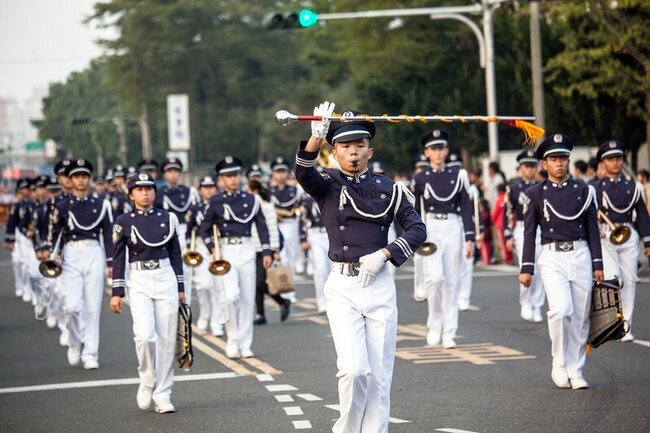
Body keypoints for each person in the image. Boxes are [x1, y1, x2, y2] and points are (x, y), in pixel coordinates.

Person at [295, 102, 426, 433]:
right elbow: (303, 172)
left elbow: (417, 230)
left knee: (379, 374)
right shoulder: (327, 184)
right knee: (354, 370)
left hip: (379, 284)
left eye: (359, 145)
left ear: (370, 150)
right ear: (334, 152)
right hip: (342, 287)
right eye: (344, 146)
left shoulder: (389, 188)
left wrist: (385, 253)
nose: (353, 153)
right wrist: (316, 137)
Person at [519, 133, 603, 390]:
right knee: (560, 310)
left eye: (563, 159)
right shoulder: (534, 194)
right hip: (552, 256)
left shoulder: (584, 190)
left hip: (580, 254)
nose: (559, 164)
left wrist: (598, 264)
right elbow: (529, 232)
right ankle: (559, 360)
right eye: (554, 159)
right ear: (544, 164)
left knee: (580, 316)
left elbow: (592, 228)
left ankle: (576, 369)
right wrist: (526, 267)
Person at [110, 172, 184, 413]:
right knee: (144, 336)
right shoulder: (123, 220)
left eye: (149, 188)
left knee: (166, 338)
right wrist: (117, 291)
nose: (145, 193)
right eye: (139, 189)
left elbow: (175, 254)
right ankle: (146, 379)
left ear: (155, 192)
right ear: (131, 194)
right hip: (138, 277)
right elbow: (118, 257)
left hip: (165, 277)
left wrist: (181, 288)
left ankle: (163, 393)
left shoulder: (168, 218)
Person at [198, 156, 273, 359]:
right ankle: (232, 339)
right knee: (231, 297)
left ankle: (245, 343)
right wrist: (212, 248)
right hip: (226, 251)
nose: (232, 179)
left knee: (248, 300)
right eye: (227, 176)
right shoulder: (215, 201)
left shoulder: (251, 199)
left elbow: (262, 226)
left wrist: (267, 251)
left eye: (235, 175)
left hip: (247, 249)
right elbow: (204, 229)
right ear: (221, 179)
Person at [44, 159, 114, 370]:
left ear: (89, 178)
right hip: (70, 254)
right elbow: (54, 234)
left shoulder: (102, 204)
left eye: (84, 176)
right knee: (72, 306)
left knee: (93, 307)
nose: (81, 180)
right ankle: (74, 342)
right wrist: (52, 256)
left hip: (94, 251)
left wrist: (111, 262)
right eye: (77, 176)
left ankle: (90, 353)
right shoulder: (62, 205)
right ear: (71, 179)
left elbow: (109, 235)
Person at [412, 129, 475, 349]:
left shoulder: (459, 175)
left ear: (447, 151)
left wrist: (470, 238)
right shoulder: (420, 178)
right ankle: (434, 324)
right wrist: (414, 235)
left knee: (452, 281)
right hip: (431, 227)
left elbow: (467, 208)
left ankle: (449, 331)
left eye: (441, 149)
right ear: (427, 152)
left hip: (453, 226)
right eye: (434, 149)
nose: (438, 153)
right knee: (435, 279)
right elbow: (415, 210)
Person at [594, 140, 650, 342]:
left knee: (630, 282)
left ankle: (626, 324)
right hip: (605, 236)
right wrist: (594, 231)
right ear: (603, 163)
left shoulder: (633, 186)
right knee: (613, 278)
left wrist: (647, 241)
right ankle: (612, 322)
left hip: (628, 234)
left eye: (618, 158)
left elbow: (642, 214)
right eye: (610, 159)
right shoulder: (595, 187)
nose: (616, 163)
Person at [504, 149, 545, 323]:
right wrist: (508, 235)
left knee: (541, 269)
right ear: (520, 168)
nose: (529, 170)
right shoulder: (513, 188)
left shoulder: (542, 186)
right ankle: (526, 302)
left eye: (532, 166)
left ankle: (537, 305)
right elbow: (507, 211)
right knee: (526, 266)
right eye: (526, 166)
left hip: (541, 230)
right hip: (521, 229)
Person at [155, 157, 200, 304]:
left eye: (175, 171)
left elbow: (196, 212)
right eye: (169, 171)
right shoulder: (159, 193)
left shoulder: (189, 191)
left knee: (187, 273)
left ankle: (185, 306)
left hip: (187, 233)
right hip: (168, 234)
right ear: (164, 174)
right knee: (170, 272)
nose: (173, 174)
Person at [186, 175, 226, 336]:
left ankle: (217, 322)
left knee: (218, 287)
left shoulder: (221, 205)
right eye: (205, 187)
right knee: (203, 285)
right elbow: (190, 229)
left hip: (220, 248)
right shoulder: (195, 208)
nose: (209, 190)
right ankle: (204, 314)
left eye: (211, 187)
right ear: (200, 190)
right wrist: (189, 246)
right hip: (202, 248)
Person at [247, 179, 290, 324]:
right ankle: (260, 314)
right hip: (249, 247)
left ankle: (282, 301)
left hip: (264, 249)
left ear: (254, 191)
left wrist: (275, 249)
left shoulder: (265, 205)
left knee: (259, 283)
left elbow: (272, 228)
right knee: (254, 283)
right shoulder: (248, 203)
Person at [270, 157, 304, 276]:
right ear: (273, 173)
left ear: (288, 173)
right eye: (277, 172)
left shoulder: (295, 191)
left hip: (291, 225)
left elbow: (300, 209)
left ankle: (290, 288)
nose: (280, 175)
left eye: (283, 171)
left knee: (291, 255)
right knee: (279, 256)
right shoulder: (268, 192)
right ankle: (281, 288)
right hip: (275, 226)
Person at [298, 188, 330, 313]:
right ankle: (321, 301)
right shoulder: (306, 199)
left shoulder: (332, 195)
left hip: (330, 234)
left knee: (333, 269)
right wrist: (303, 239)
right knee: (320, 269)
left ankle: (334, 300)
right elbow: (302, 219)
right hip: (315, 235)